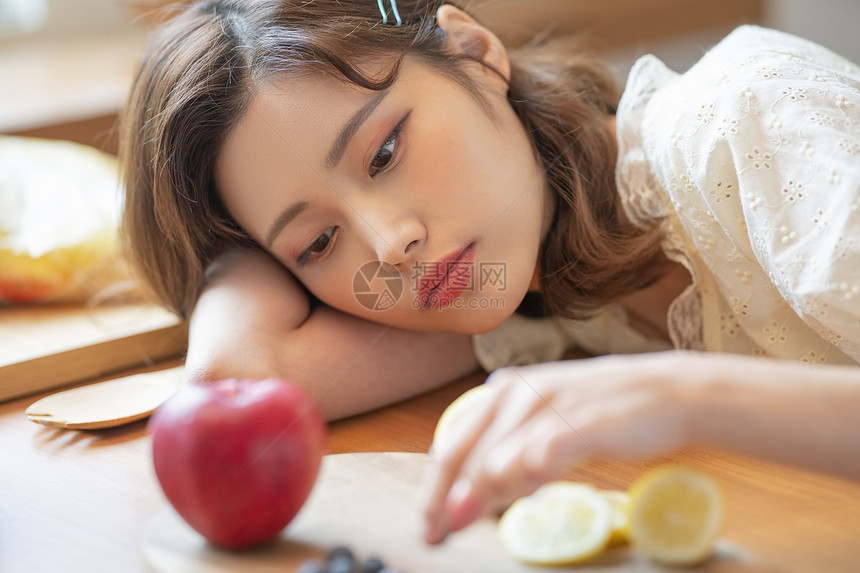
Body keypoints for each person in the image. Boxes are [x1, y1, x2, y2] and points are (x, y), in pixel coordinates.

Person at [119, 0, 860, 545]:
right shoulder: (529, 288)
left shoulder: (746, 119)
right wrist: (233, 237)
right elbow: (241, 379)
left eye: (384, 153)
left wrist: (681, 392)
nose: (389, 246)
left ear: (474, 50)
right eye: (319, 243)